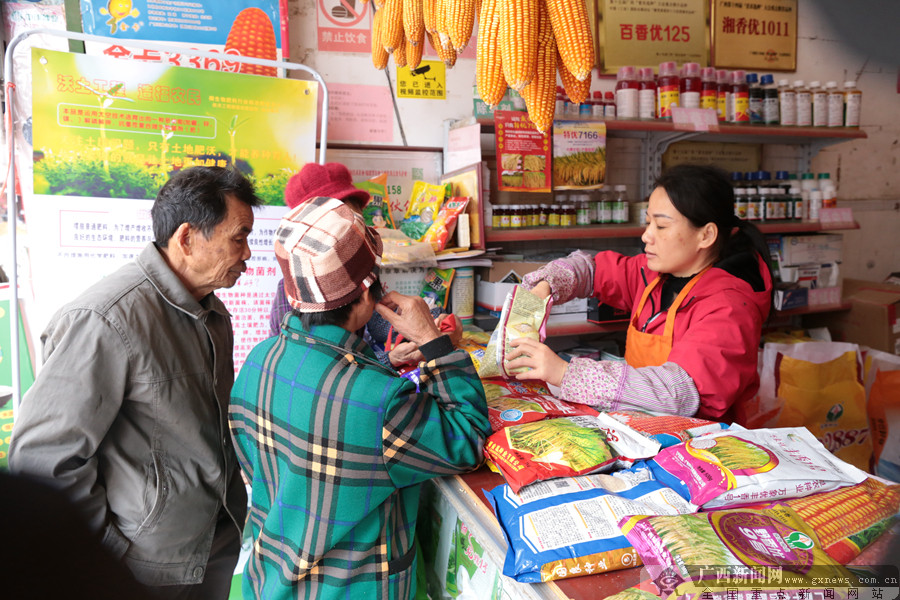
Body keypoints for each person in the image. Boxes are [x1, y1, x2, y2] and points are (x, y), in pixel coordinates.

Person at [9, 166, 259, 598]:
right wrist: (109, 551)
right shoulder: (105, 319)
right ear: (186, 238)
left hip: (211, 547)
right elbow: (43, 459)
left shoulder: (211, 314)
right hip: (141, 568)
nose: (248, 254)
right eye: (239, 237)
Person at [229, 196, 490, 600]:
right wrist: (435, 344)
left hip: (272, 579)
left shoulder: (259, 360)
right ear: (368, 292)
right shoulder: (379, 402)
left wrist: (384, 362)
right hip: (351, 590)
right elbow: (468, 439)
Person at [505, 164, 773, 421]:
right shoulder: (653, 275)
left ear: (706, 235)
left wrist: (565, 373)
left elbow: (678, 393)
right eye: (647, 223)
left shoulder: (729, 307)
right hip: (641, 428)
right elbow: (591, 269)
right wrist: (548, 284)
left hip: (699, 446)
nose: (646, 236)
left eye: (661, 226)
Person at [267, 161, 461, 367]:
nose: (358, 236)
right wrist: (391, 358)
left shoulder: (361, 268)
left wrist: (432, 325)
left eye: (356, 222)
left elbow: (380, 323)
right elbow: (318, 368)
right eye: (342, 227)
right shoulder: (292, 296)